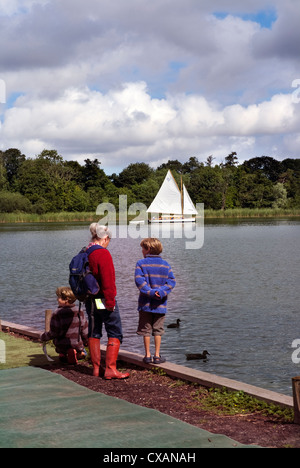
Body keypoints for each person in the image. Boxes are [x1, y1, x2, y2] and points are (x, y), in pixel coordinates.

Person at [85, 223, 129, 379]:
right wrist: (110, 303)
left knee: (94, 331)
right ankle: (110, 369)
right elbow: (108, 281)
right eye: (109, 240)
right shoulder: (102, 254)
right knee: (115, 331)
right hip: (103, 299)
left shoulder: (86, 251)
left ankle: (96, 369)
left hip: (90, 300)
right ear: (105, 238)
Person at [135, 238, 176, 364]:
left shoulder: (141, 263)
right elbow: (171, 281)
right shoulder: (165, 264)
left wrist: (151, 292)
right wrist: (161, 291)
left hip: (145, 304)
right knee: (158, 329)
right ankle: (157, 355)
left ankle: (147, 355)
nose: (141, 251)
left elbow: (139, 282)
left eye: (143, 248)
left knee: (146, 330)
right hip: (160, 304)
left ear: (148, 249)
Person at [40, 286, 88, 364]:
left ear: (66, 300)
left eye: (59, 297)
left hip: (61, 345)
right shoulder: (79, 311)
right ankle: (79, 353)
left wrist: (43, 337)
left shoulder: (57, 313)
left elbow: (54, 332)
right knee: (82, 350)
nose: (57, 299)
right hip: (77, 344)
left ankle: (63, 355)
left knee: (61, 346)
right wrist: (86, 341)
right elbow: (84, 329)